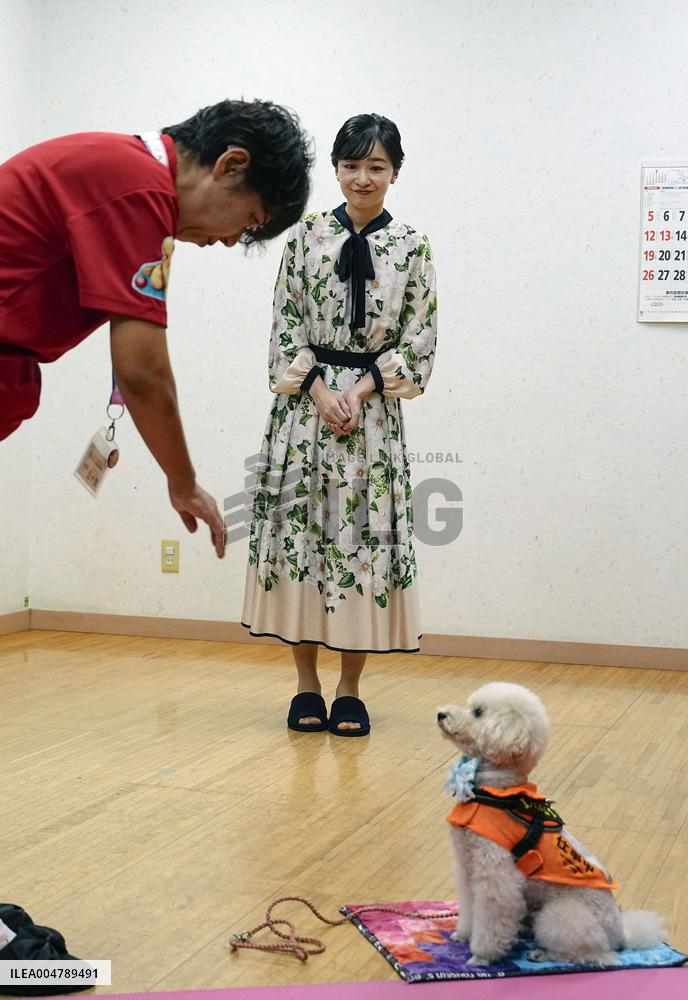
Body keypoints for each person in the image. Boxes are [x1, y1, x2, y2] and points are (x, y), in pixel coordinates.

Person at [0, 99, 312, 556]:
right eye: (248, 222)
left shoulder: (129, 174)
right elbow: (143, 372)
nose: (228, 241)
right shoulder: (142, 190)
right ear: (230, 165)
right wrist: (184, 483)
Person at [242, 113, 437, 734]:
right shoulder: (304, 239)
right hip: (305, 412)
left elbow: (420, 339)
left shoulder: (412, 246)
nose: (362, 177)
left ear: (395, 173)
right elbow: (285, 326)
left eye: (376, 167)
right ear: (336, 170)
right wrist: (322, 389)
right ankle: (305, 686)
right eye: (351, 165)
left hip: (371, 419)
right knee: (304, 542)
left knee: (359, 548)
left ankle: (350, 689)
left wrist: (360, 388)